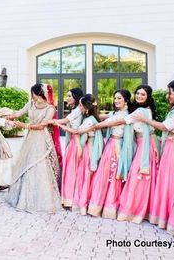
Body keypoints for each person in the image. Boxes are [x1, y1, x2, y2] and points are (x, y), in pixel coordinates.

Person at [7, 83, 62, 213]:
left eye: (32, 93)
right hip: (30, 138)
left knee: (39, 165)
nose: (31, 96)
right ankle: (22, 197)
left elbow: (42, 126)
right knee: (26, 163)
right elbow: (19, 113)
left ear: (38, 93)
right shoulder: (31, 104)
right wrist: (7, 117)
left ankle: (42, 199)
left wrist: (24, 126)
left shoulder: (50, 108)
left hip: (41, 138)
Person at [133, 80, 174, 230]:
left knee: (170, 181)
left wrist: (145, 120)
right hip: (169, 146)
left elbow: (164, 127)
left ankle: (168, 217)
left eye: (170, 92)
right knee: (165, 180)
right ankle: (163, 216)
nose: (168, 95)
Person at [115, 85, 159, 223]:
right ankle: (144, 210)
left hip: (146, 145)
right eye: (138, 93)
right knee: (144, 177)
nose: (139, 96)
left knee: (137, 176)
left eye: (143, 95)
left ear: (148, 97)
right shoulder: (144, 109)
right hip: (146, 143)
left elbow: (122, 120)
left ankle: (133, 211)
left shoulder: (141, 111)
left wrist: (97, 124)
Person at [87, 90, 133, 219]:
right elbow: (101, 117)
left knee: (113, 176)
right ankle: (97, 206)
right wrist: (90, 109)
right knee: (103, 174)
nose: (116, 100)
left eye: (119, 98)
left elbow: (105, 123)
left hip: (117, 147)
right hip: (110, 145)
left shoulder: (125, 116)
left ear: (126, 100)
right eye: (115, 98)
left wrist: (91, 126)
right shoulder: (115, 113)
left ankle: (110, 208)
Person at [57, 94, 103, 215]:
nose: (80, 108)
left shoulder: (89, 121)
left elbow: (77, 131)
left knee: (84, 175)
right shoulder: (93, 118)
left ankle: (82, 202)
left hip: (89, 149)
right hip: (89, 146)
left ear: (87, 107)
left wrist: (61, 126)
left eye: (81, 106)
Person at [48, 88, 84, 207]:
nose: (67, 98)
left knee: (71, 170)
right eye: (67, 95)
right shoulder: (76, 109)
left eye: (70, 96)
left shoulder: (78, 110)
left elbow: (65, 120)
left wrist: (50, 120)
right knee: (71, 169)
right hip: (73, 141)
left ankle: (70, 198)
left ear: (76, 97)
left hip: (76, 142)